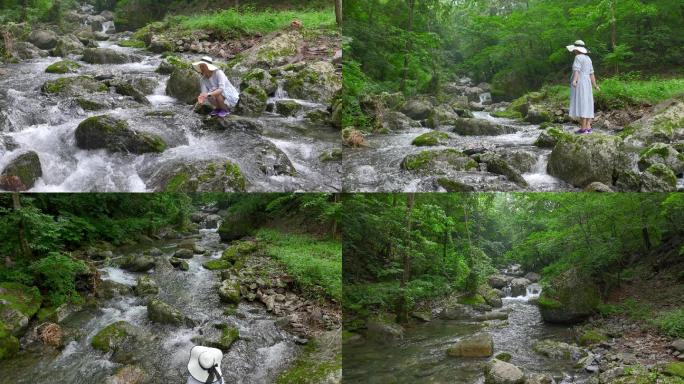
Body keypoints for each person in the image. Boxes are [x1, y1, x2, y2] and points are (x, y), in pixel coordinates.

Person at [566, 40, 600, 134]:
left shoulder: (577, 57)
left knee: (582, 103)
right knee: (587, 103)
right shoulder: (588, 58)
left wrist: (574, 80)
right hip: (587, 83)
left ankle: (583, 128)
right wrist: (595, 85)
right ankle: (588, 127)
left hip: (581, 82)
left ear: (576, 50)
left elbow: (576, 70)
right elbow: (591, 73)